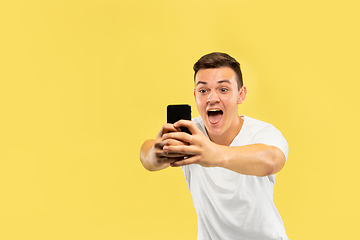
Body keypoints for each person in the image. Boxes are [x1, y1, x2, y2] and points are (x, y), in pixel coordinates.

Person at [140, 52, 289, 240]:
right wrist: (156, 154)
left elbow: (271, 160)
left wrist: (213, 154)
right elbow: (145, 153)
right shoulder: (190, 134)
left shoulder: (263, 133)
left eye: (223, 89)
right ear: (195, 96)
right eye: (203, 91)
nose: (212, 98)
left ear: (240, 95)